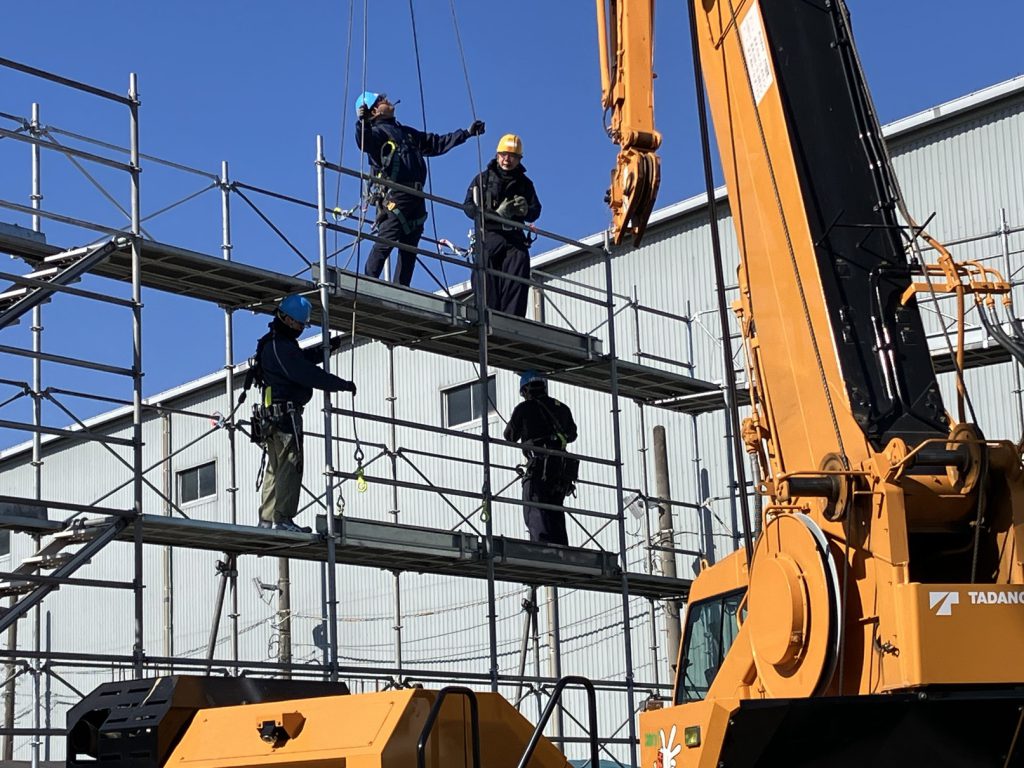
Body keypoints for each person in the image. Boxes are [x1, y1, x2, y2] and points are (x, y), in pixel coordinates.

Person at [248, 294, 357, 533]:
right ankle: (283, 519)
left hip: (273, 416)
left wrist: (323, 350)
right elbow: (304, 373)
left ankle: (267, 520)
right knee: (289, 466)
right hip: (285, 417)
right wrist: (341, 384)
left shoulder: (275, 344)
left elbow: (300, 361)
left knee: (275, 468)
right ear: (287, 319)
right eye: (299, 324)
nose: (300, 328)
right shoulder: (280, 346)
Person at [354, 90, 485, 286]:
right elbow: (364, 143)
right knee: (386, 241)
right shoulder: (377, 134)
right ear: (374, 112)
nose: (386, 100)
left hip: (416, 196)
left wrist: (466, 133)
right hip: (397, 195)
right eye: (380, 100)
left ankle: (401, 289)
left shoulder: (406, 133)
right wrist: (362, 123)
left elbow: (435, 143)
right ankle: (367, 283)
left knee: (410, 249)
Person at [463, 134, 542, 317]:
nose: (507, 159)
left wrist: (525, 210)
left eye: (512, 156)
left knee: (517, 275)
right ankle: (486, 316)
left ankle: (511, 321)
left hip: (514, 239)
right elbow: (468, 208)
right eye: (504, 155)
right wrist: (495, 215)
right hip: (490, 236)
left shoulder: (525, 184)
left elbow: (535, 210)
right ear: (497, 155)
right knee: (485, 279)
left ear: (519, 159)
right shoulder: (483, 179)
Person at [503, 370, 578, 545]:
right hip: (560, 470)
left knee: (535, 508)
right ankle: (562, 548)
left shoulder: (524, 408)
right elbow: (572, 434)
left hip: (539, 467)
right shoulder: (561, 408)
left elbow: (510, 436)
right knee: (555, 509)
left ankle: (542, 547)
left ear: (525, 390)